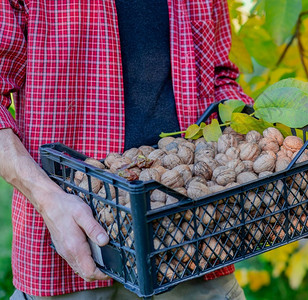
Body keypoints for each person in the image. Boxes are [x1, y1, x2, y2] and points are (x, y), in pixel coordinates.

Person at [0, 0, 252, 298]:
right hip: (71, 245)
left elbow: (218, 76)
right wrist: (48, 201)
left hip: (190, 240)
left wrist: (251, 139)